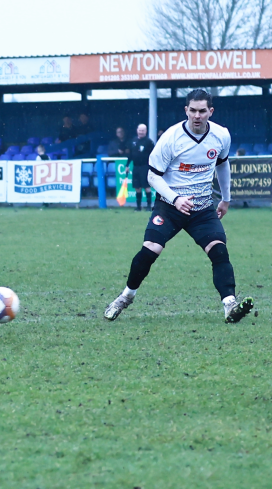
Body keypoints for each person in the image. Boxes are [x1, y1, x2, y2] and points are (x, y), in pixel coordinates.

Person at [104, 89, 255, 324]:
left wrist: (226, 198)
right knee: (150, 251)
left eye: (202, 111)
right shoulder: (171, 138)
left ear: (210, 112)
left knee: (219, 251)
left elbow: (222, 165)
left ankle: (229, 305)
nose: (197, 115)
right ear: (186, 110)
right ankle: (125, 297)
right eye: (192, 110)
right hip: (169, 206)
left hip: (202, 208)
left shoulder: (221, 135)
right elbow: (153, 177)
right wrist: (175, 199)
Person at [128, 123, 155, 211]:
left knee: (146, 187)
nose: (141, 132)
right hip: (136, 167)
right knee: (137, 187)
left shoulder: (149, 142)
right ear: (137, 130)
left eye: (143, 130)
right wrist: (127, 165)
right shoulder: (133, 141)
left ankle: (148, 206)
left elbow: (153, 155)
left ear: (146, 131)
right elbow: (130, 154)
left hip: (145, 167)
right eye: (140, 130)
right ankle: (138, 207)